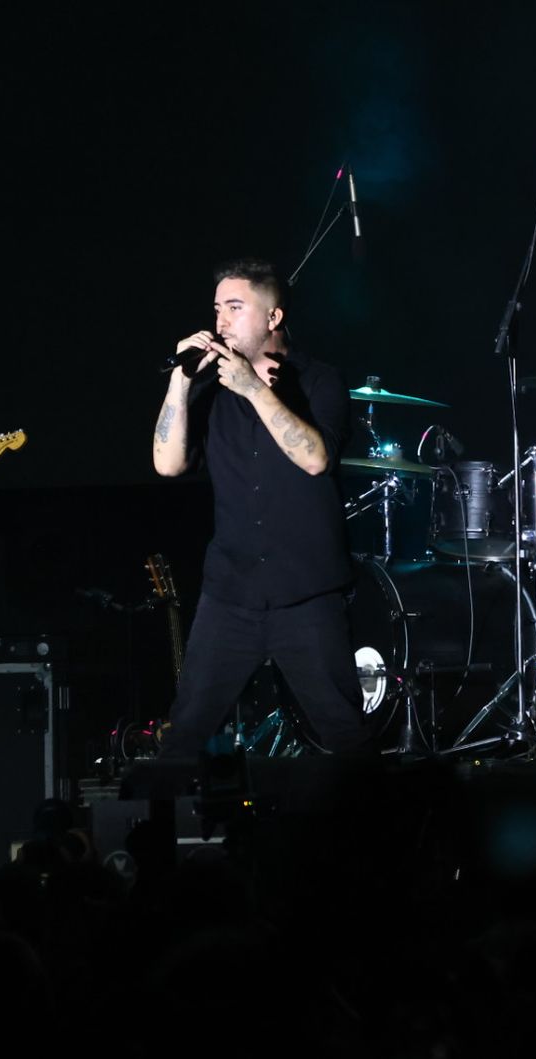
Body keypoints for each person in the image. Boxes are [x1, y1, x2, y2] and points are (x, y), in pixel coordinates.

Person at [151, 257, 371, 756]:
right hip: (231, 595)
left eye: (234, 308)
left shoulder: (319, 380)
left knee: (345, 735)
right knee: (183, 734)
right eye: (216, 309)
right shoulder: (208, 388)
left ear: (273, 318)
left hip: (306, 592)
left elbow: (316, 459)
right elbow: (167, 464)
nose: (220, 322)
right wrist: (180, 384)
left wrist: (252, 388)